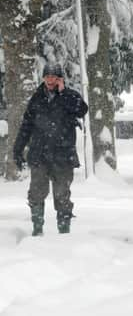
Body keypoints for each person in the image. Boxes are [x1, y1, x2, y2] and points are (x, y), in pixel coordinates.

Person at [13, 63, 88, 236]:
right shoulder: (36, 98)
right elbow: (26, 126)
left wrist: (64, 93)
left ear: (60, 79)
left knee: (62, 195)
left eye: (54, 77)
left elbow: (82, 110)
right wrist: (18, 149)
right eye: (47, 77)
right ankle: (37, 230)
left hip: (63, 155)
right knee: (37, 193)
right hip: (39, 154)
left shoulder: (69, 96)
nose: (50, 80)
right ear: (43, 78)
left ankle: (64, 232)